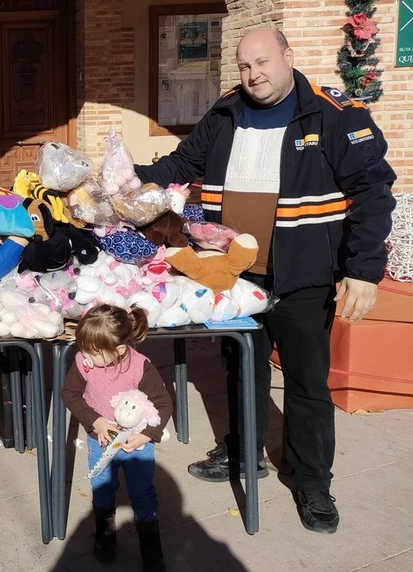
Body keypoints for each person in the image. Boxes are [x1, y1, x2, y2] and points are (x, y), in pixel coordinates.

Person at [135, 27, 396, 534]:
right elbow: (179, 166)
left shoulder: (334, 115)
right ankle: (242, 451)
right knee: (242, 370)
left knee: (305, 382)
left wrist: (364, 270)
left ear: (288, 56)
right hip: (234, 276)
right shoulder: (226, 112)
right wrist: (123, 178)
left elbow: (373, 191)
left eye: (262, 62)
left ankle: (311, 480)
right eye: (244, 66)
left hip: (304, 277)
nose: (253, 75)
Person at [61, 304, 172, 571]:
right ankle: (105, 534)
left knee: (142, 492)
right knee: (102, 488)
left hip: (135, 444)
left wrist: (146, 436)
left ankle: (150, 546)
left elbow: (164, 403)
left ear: (119, 350)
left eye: (92, 351)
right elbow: (70, 394)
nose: (85, 356)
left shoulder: (140, 368)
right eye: (83, 348)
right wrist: (94, 420)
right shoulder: (83, 364)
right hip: (99, 441)